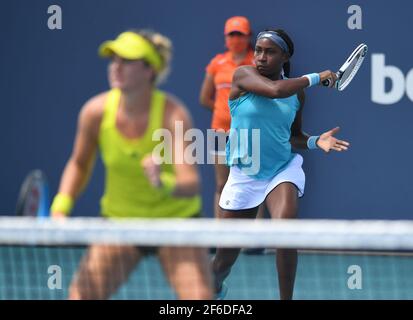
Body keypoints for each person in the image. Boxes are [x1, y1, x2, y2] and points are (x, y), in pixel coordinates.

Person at [50, 30, 213, 299]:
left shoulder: (173, 115)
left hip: (175, 224)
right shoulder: (95, 112)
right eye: (113, 59)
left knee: (201, 302)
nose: (116, 66)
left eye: (126, 60)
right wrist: (61, 206)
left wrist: (163, 182)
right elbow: (79, 164)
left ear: (150, 70)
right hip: (120, 223)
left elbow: (191, 183)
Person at [211, 28, 350, 300]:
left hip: (281, 170)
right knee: (222, 263)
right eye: (258, 51)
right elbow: (274, 90)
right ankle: (214, 288)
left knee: (285, 228)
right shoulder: (243, 75)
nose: (261, 57)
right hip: (245, 175)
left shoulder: (297, 95)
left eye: (269, 51)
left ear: (284, 56)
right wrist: (315, 77)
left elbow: (294, 136)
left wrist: (315, 141)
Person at [200, 16, 261, 219]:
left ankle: (255, 239)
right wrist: (223, 112)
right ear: (226, 38)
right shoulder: (217, 63)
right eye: (232, 35)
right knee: (221, 184)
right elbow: (205, 98)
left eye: (240, 35)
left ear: (248, 36)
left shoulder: (256, 62)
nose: (236, 39)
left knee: (253, 183)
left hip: (249, 132)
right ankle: (220, 235)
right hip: (219, 131)